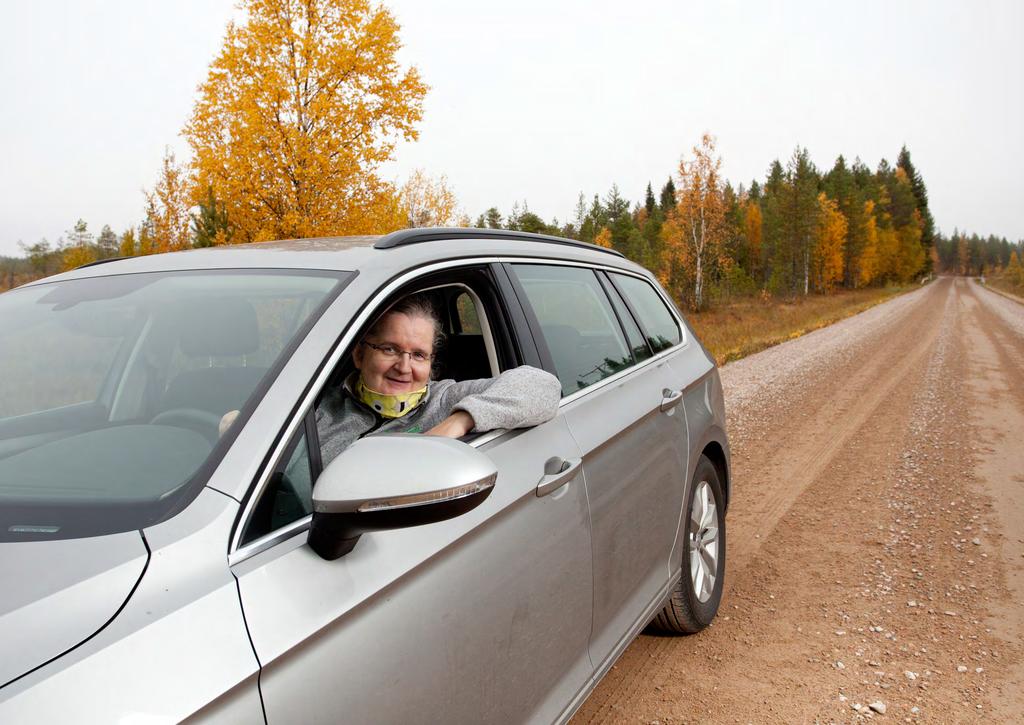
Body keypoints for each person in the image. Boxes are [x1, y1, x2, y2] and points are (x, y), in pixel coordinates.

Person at [315, 294, 561, 468]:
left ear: (431, 363)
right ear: (360, 355)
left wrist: (460, 421)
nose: (404, 367)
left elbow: (543, 385)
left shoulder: (446, 399)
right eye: (389, 349)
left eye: (419, 355)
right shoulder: (319, 408)